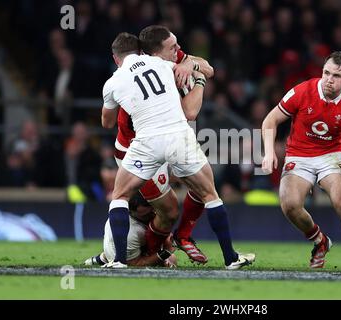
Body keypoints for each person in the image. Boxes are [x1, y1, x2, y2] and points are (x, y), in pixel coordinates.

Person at [102, 32, 254, 269]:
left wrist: (186, 63)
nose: (178, 49)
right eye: (173, 47)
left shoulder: (115, 81)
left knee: (119, 196)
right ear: (149, 52)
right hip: (167, 137)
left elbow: (106, 123)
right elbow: (192, 108)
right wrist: (190, 71)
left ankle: (120, 260)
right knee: (205, 195)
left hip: (147, 142)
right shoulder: (163, 64)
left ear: (116, 58)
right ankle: (229, 258)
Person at [262, 51, 341, 270]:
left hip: (330, 156)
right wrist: (269, 152)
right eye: (326, 73)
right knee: (289, 205)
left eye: (336, 76)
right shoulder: (303, 90)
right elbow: (270, 121)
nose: (328, 79)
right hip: (299, 154)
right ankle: (320, 241)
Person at [84, 192, 177, 268]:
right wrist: (164, 254)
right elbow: (135, 264)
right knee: (172, 259)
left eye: (152, 208)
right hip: (127, 256)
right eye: (145, 215)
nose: (153, 213)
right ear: (131, 211)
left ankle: (101, 258)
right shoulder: (131, 233)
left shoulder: (149, 211)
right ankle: (107, 257)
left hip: (125, 246)